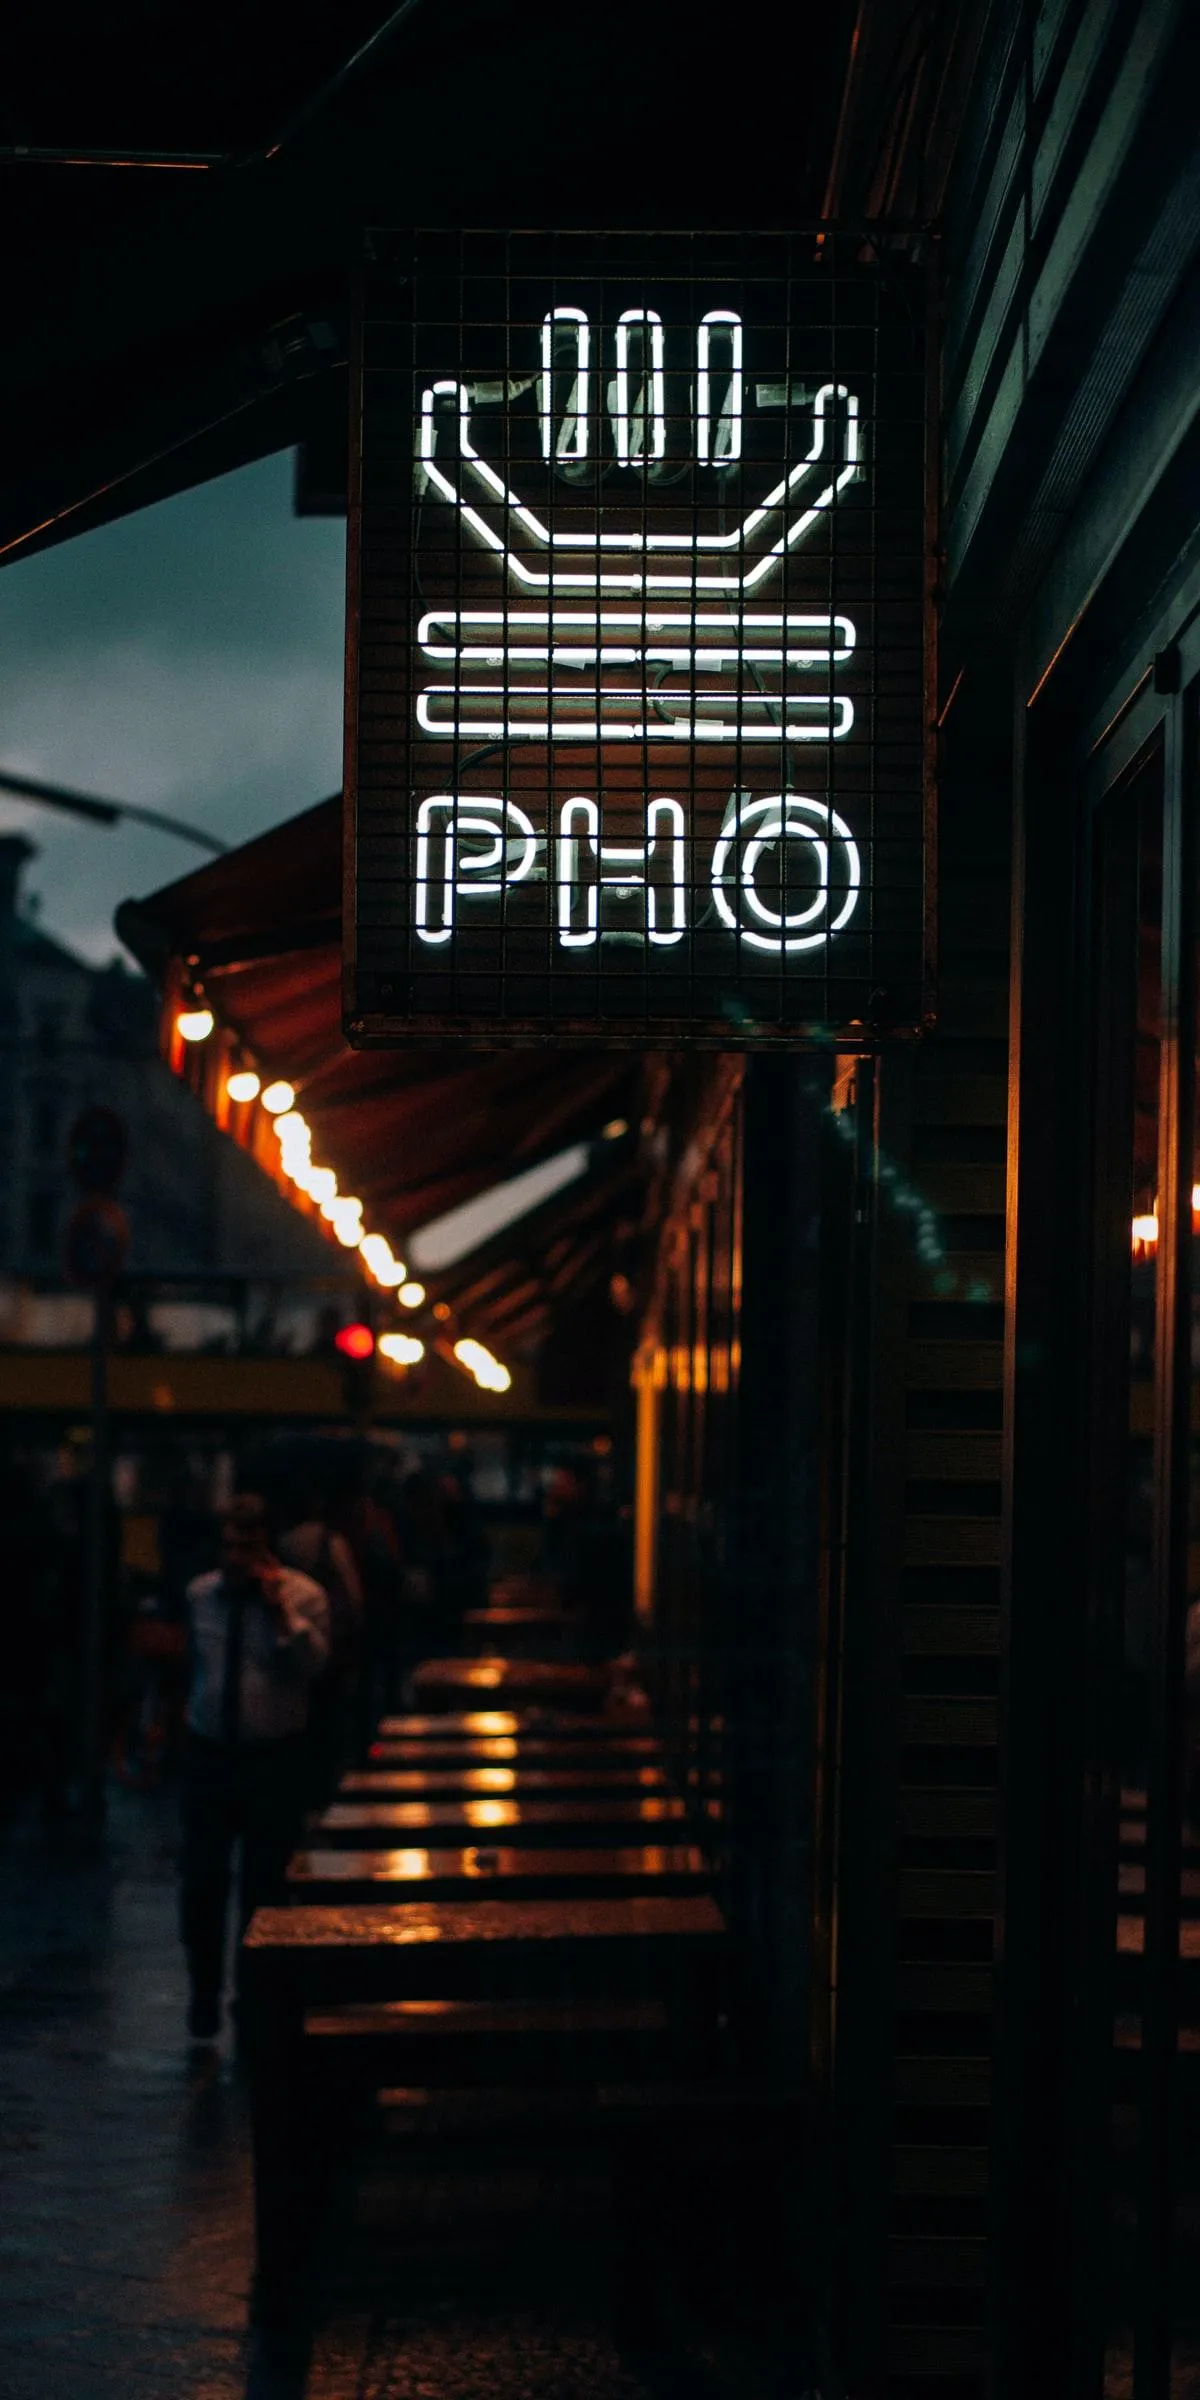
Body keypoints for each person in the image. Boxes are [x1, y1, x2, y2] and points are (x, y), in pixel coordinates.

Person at [179, 1492, 330, 2041]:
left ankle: (251, 1999)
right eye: (228, 1545)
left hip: (272, 1758)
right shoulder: (202, 1596)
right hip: (211, 1751)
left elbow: (313, 1667)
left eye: (247, 1546)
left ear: (267, 1547)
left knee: (263, 1885)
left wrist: (278, 1611)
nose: (235, 1557)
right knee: (201, 1881)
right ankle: (203, 1992)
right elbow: (196, 1664)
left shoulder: (305, 1597)